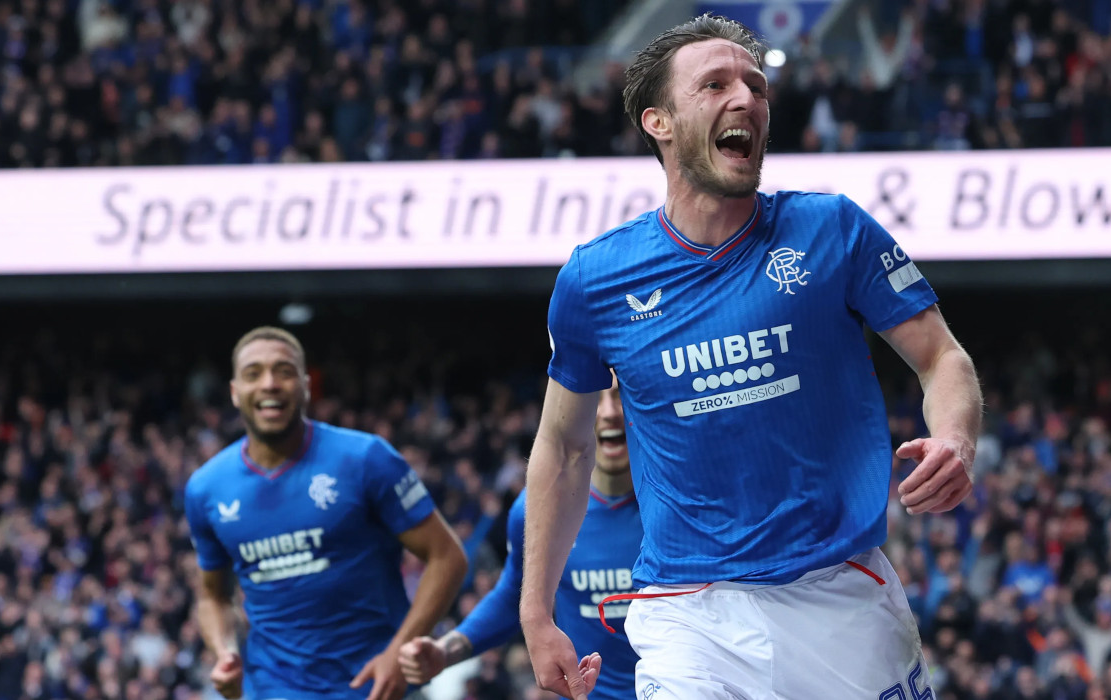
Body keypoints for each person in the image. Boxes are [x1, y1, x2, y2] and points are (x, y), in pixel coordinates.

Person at [519, 14, 983, 700]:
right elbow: (562, 447)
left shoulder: (831, 228)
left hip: (840, 597)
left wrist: (956, 438)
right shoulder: (594, 280)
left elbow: (943, 357)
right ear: (660, 122)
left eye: (756, 85)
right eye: (715, 84)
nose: (747, 98)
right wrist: (536, 611)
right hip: (686, 612)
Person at [185, 326, 468, 700]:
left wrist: (399, 650)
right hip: (270, 689)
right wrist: (225, 652)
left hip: (374, 688)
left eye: (283, 371)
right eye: (254, 373)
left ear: (305, 386)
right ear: (235, 392)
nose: (269, 383)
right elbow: (212, 598)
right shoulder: (206, 488)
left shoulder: (366, 459)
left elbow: (447, 557)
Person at [397, 377, 641, 699]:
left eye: (621, 395)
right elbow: (517, 596)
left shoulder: (689, 504)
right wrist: (444, 651)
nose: (609, 412)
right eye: (594, 397)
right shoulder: (539, 509)